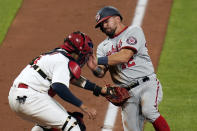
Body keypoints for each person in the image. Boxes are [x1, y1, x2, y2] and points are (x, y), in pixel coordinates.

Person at [87, 6, 170, 131]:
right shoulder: (102, 47)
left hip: (147, 84)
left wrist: (98, 60)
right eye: (101, 25)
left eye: (106, 21)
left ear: (117, 18)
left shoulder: (133, 31)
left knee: (149, 110)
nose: (104, 26)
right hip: (126, 94)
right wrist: (94, 68)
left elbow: (125, 56)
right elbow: (101, 72)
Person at [8, 31, 107, 131]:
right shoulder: (63, 61)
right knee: (74, 125)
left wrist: (98, 89)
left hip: (16, 98)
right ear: (78, 52)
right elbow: (59, 87)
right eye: (84, 55)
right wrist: (83, 106)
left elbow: (73, 79)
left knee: (46, 127)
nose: (84, 58)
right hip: (31, 98)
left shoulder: (57, 55)